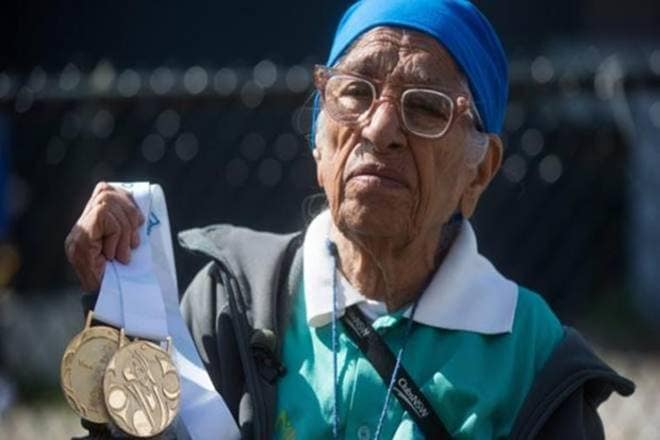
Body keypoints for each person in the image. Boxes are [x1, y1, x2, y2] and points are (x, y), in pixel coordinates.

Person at [65, 0, 634, 438]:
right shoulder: (232, 303)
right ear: (319, 143)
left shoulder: (533, 356)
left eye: (426, 106)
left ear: (479, 172)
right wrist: (118, 313)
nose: (380, 130)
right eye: (356, 93)